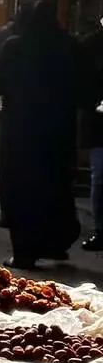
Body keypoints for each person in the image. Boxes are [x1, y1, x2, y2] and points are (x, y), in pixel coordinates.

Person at [0, 0, 81, 268]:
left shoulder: (15, 46)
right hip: (58, 131)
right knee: (55, 186)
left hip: (20, 132)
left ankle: (24, 252)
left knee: (20, 188)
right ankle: (55, 243)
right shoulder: (68, 45)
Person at [77, 14, 103, 252]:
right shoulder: (90, 45)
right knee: (100, 176)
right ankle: (101, 229)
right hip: (100, 122)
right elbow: (80, 84)